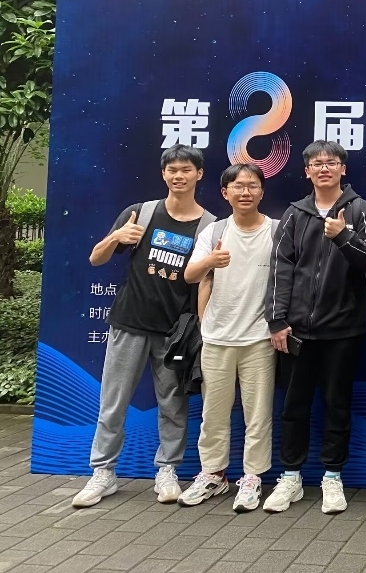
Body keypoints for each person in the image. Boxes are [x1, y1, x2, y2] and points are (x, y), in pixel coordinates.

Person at [73, 144, 215, 508]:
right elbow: (96, 258)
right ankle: (103, 473)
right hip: (129, 323)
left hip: (175, 334)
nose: (179, 176)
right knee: (113, 402)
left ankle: (167, 470)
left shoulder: (209, 226)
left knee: (173, 406)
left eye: (186, 169)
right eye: (172, 170)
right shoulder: (140, 213)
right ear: (163, 174)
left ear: (199, 174)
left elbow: (207, 282)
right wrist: (115, 237)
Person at [262, 140, 366, 515]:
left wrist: (343, 236)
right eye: (317, 163)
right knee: (293, 406)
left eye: (331, 162)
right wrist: (277, 320)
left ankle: (332, 476)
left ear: (343, 168)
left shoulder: (360, 210)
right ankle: (290, 477)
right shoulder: (294, 214)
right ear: (307, 171)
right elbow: (280, 269)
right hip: (296, 331)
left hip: (343, 330)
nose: (324, 168)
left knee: (337, 405)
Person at [177, 163, 277, 512]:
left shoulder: (277, 230)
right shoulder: (214, 230)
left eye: (252, 185)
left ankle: (252, 478)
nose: (245, 192)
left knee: (258, 414)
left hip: (259, 339)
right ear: (225, 192)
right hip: (216, 337)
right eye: (238, 186)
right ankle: (213, 474)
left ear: (262, 191)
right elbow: (190, 276)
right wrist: (210, 261)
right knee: (213, 413)